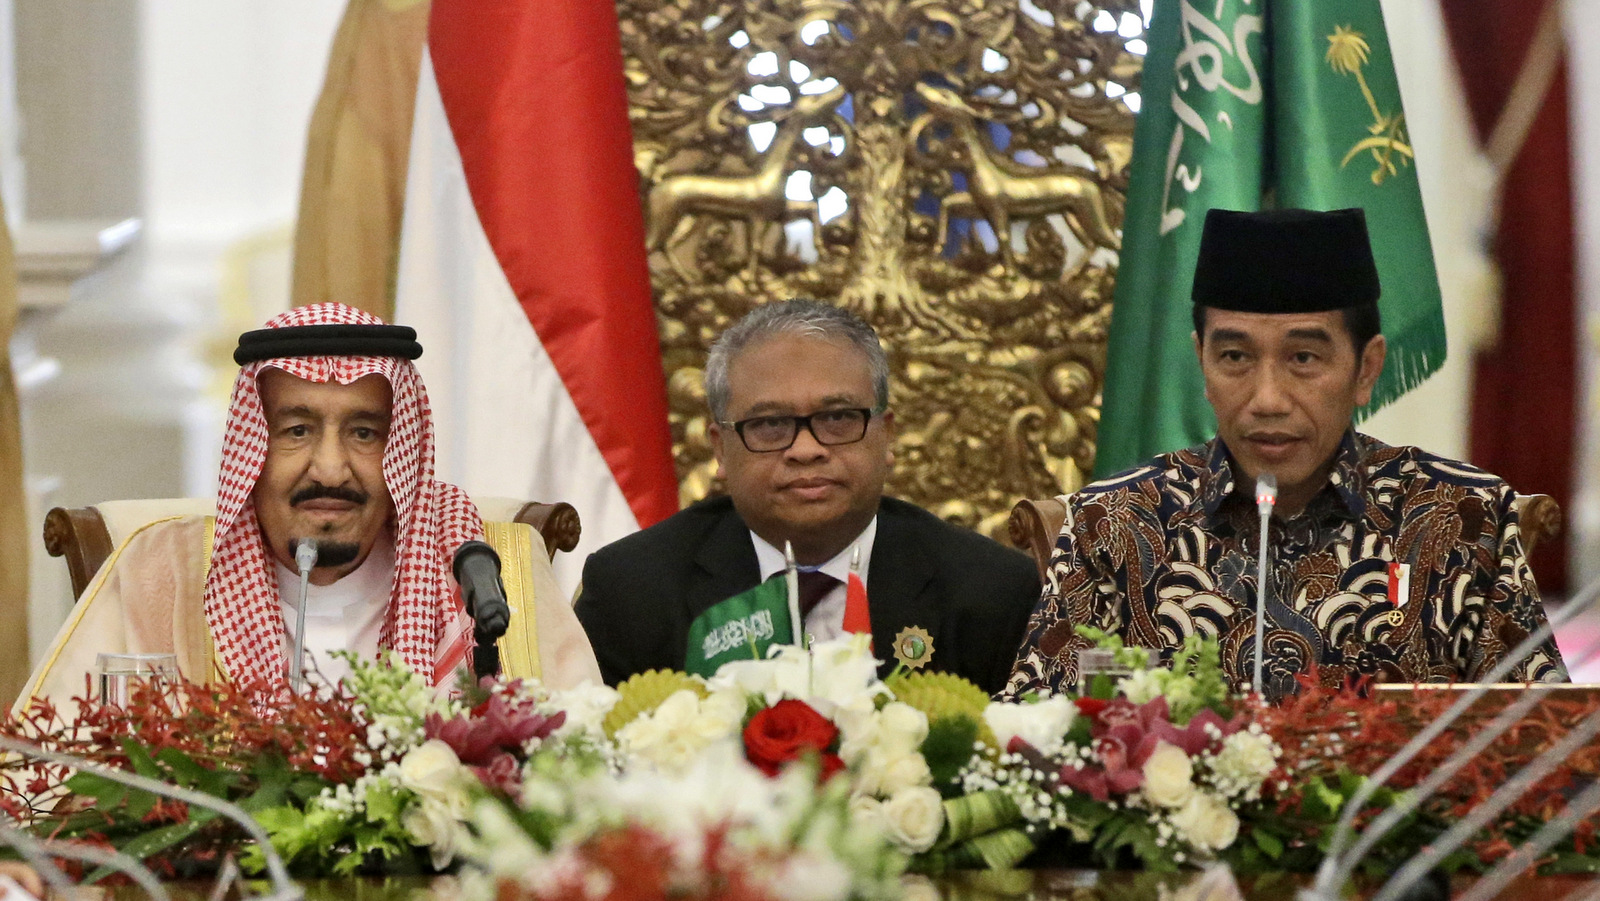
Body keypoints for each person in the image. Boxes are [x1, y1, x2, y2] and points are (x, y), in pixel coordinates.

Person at [1006, 208, 1567, 699]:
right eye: (1234, 357)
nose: (1267, 400)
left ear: (1366, 369)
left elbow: (1536, 752)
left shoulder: (1467, 519)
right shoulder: (1111, 525)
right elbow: (1039, 743)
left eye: (1303, 358)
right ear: (1201, 359)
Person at [17, 303, 600, 710]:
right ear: (253, 451)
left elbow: (586, 778)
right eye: (296, 430)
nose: (329, 468)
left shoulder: (492, 570)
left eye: (365, 434)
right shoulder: (159, 572)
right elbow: (50, 786)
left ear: (402, 448)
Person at [575, 299, 1040, 694]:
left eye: (838, 418)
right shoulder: (632, 591)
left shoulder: (991, 593)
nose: (805, 449)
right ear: (719, 449)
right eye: (770, 424)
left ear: (887, 436)